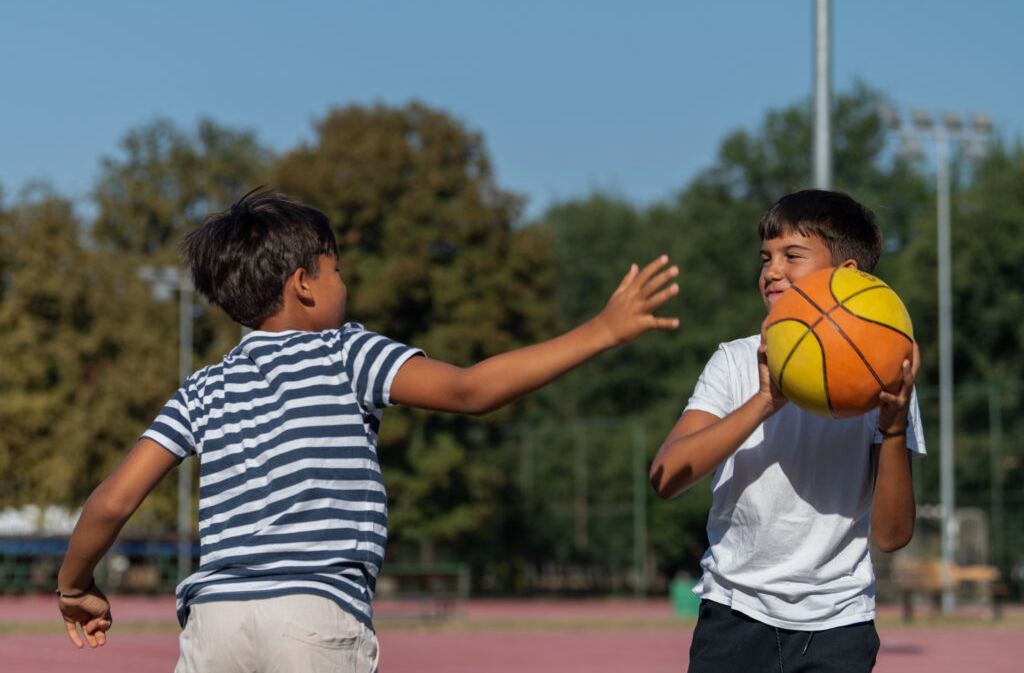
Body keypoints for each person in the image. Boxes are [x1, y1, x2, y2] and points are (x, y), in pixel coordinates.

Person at [56, 189, 680, 672]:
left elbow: (111, 502)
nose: (344, 285)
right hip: (314, 615)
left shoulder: (203, 388)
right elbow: (471, 390)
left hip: (213, 620)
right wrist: (601, 330)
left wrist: (73, 586)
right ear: (303, 284)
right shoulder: (345, 352)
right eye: (337, 271)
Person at [649, 189, 925, 672]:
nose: (771, 271)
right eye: (766, 258)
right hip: (734, 613)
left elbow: (891, 535)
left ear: (847, 275)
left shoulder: (883, 376)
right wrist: (764, 402)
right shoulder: (735, 361)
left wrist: (895, 428)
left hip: (839, 623)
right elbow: (666, 476)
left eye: (792, 256)